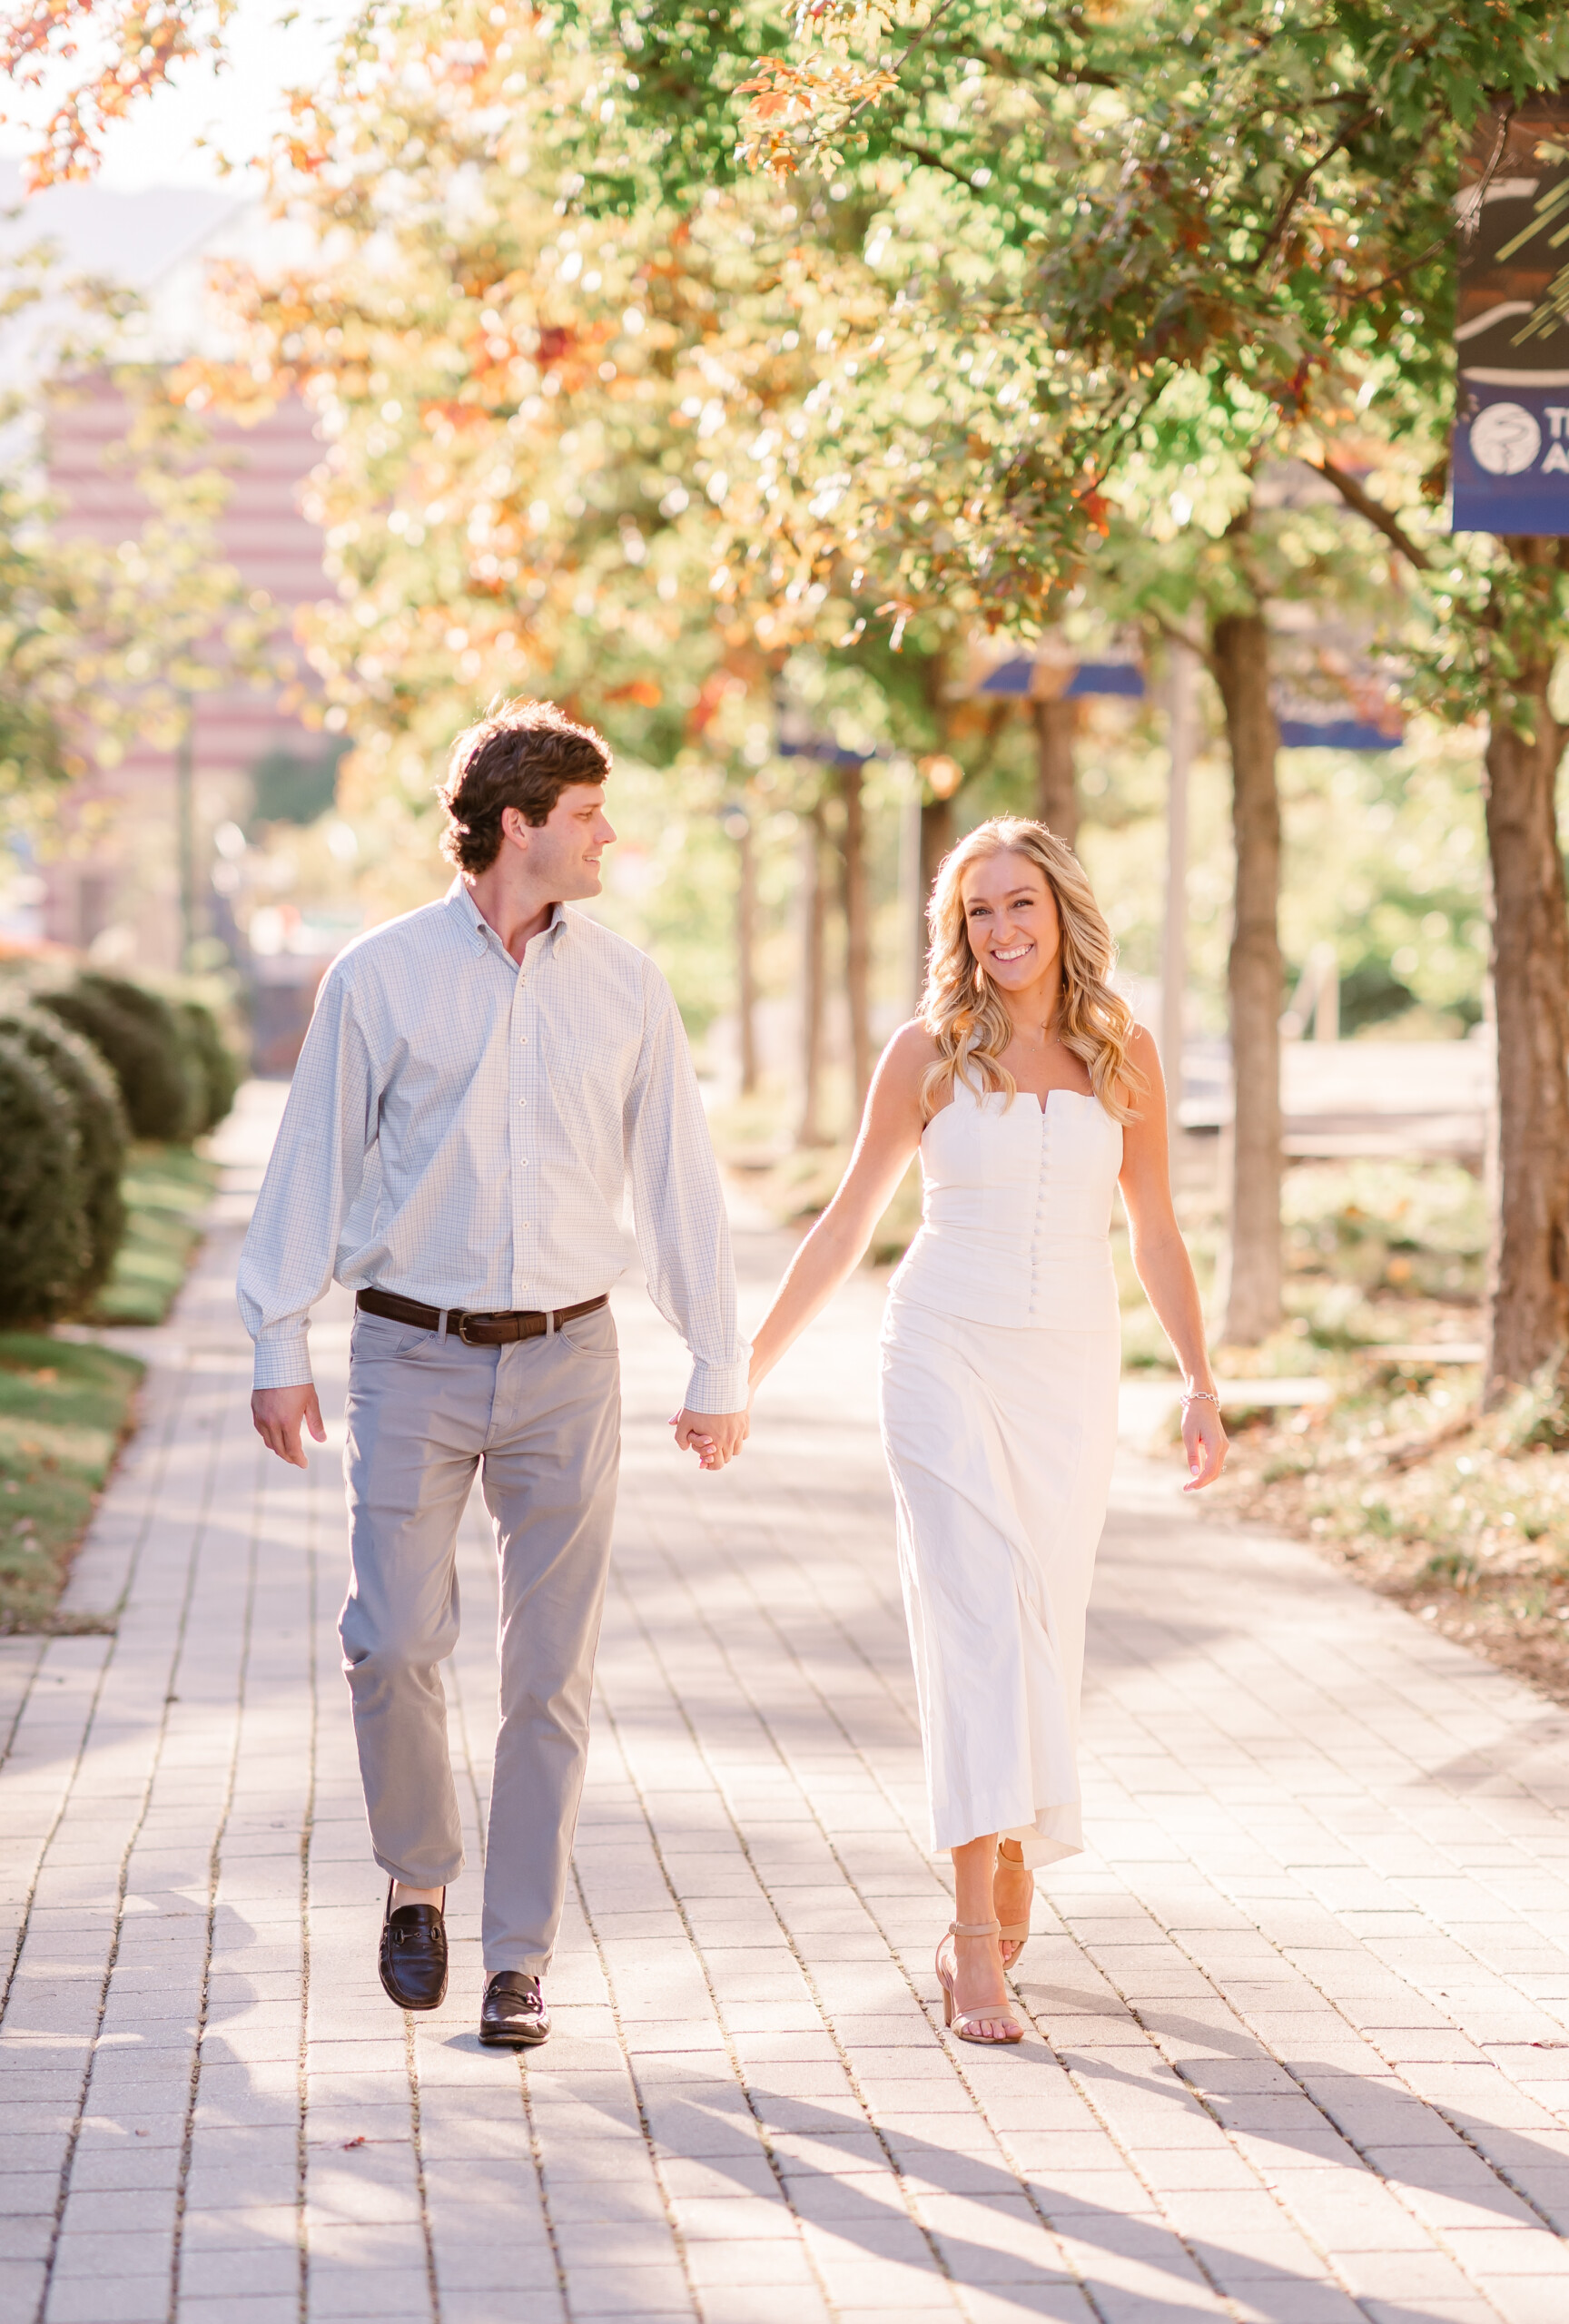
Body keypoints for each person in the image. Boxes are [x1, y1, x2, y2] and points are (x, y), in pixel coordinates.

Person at [238, 698, 748, 2048]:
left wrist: (718, 1354)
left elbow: (678, 1178)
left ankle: (521, 1958)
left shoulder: (629, 983)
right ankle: (418, 1878)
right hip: (409, 1351)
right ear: (517, 824)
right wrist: (276, 1338)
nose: (607, 837)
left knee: (550, 1678)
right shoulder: (381, 975)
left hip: (572, 1359)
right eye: (588, 816)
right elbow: (314, 1160)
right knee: (392, 1643)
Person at [746, 817, 1226, 2045]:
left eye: (1021, 904)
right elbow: (850, 1222)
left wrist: (1200, 1381)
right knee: (972, 1614)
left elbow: (1156, 1231)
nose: (1002, 931)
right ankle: (971, 1940)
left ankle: (1014, 1840)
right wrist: (744, 1365)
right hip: (941, 1350)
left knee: (1041, 1623)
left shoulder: (1122, 1052)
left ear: (1064, 910)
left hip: (1068, 1370)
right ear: (955, 932)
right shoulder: (926, 1052)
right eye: (977, 912)